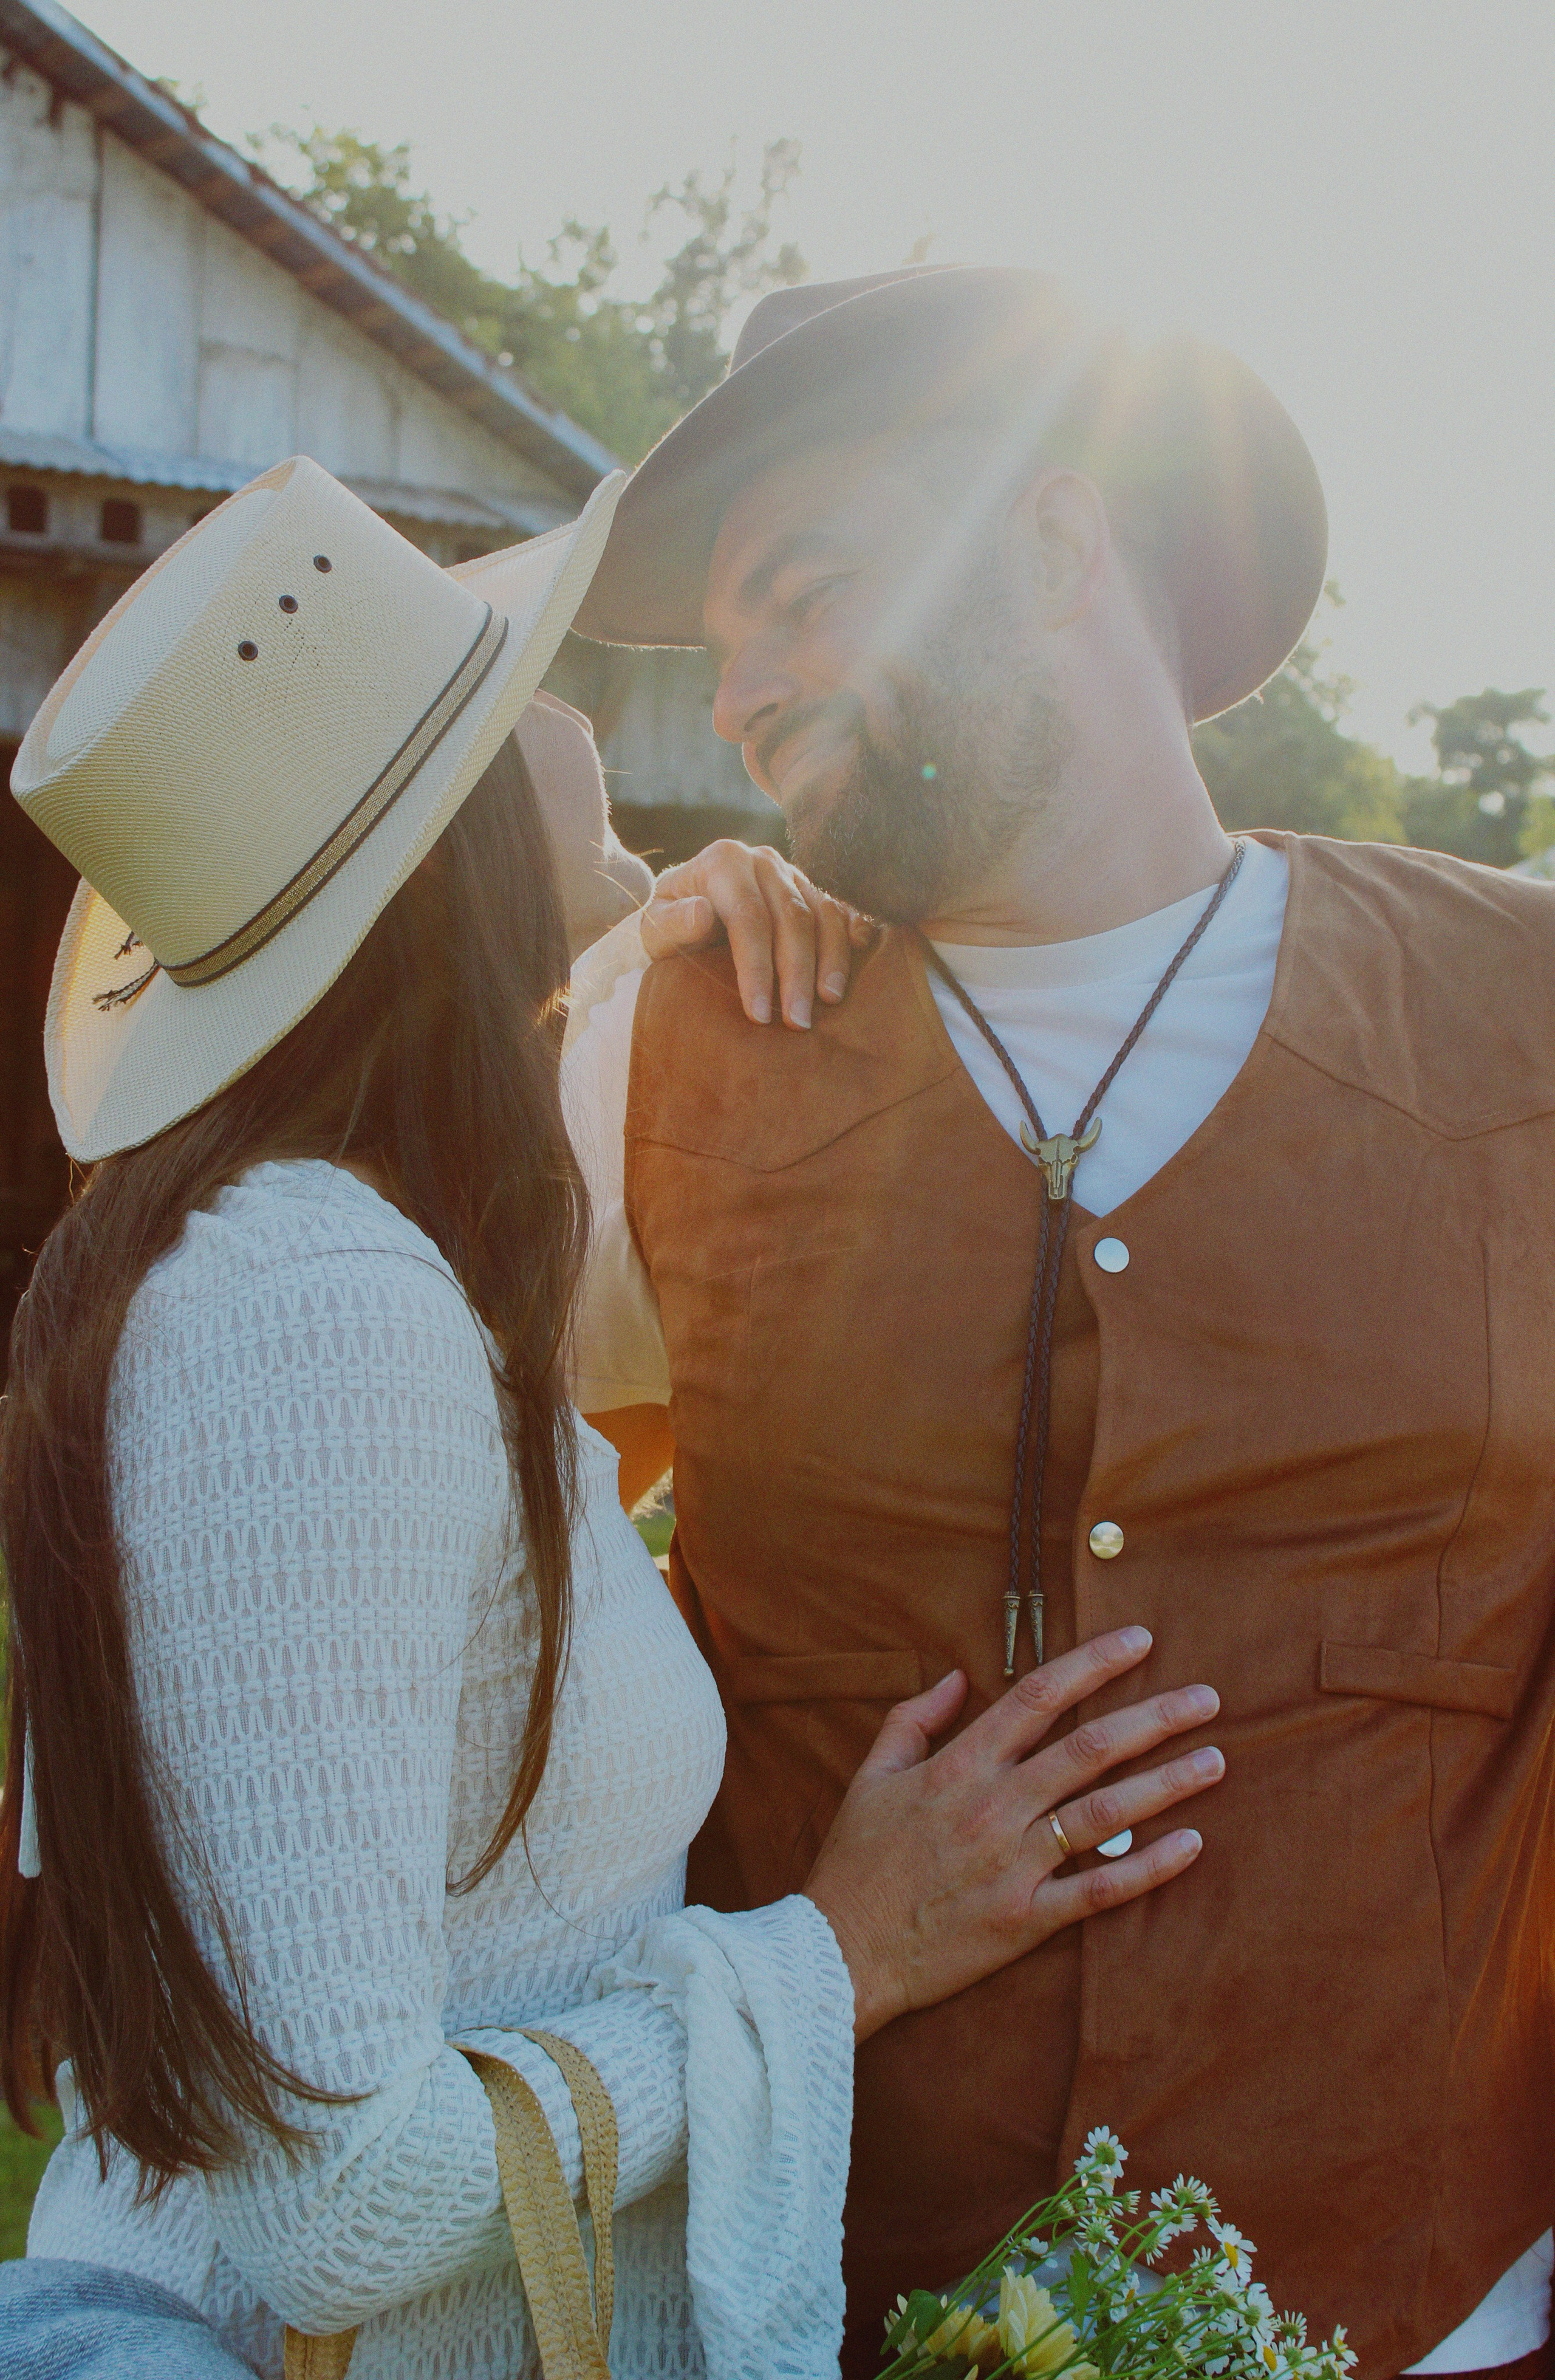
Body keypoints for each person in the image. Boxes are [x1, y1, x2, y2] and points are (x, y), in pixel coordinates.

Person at [0, 454, 1223, 2380]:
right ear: (455, 843)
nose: (595, 700)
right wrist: (843, 1952)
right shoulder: (316, 1308)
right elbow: (339, 2207)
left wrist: (628, 967)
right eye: (512, 681)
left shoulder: (343, 1258)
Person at [561, 265, 1555, 2380]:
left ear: (1055, 537)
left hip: (1442, 2324)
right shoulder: (658, 1051)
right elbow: (450, 1582)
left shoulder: (1530, 1028)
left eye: (807, 595)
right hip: (807, 2311)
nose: (741, 694)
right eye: (726, 649)